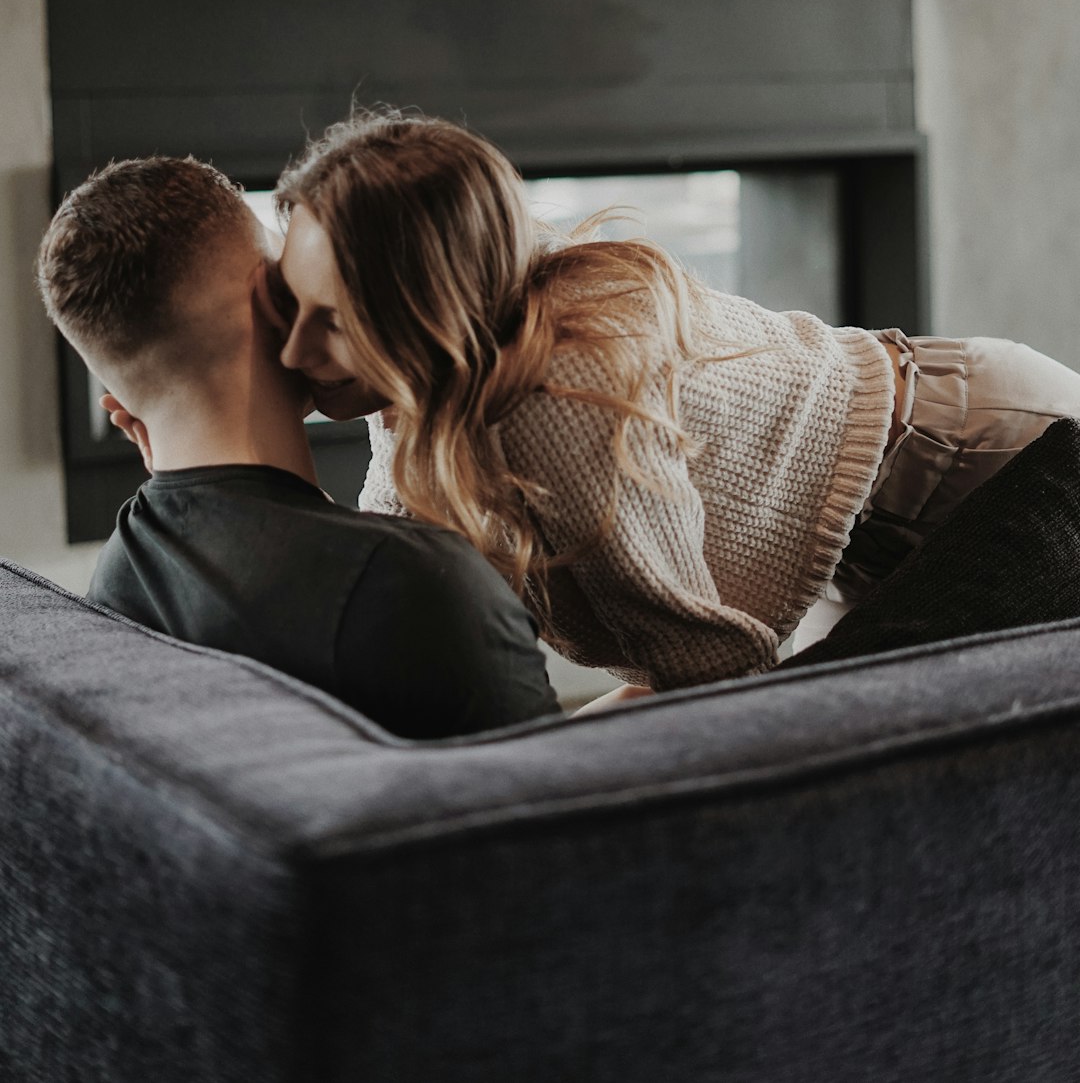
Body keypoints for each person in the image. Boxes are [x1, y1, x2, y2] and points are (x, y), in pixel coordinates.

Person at [268, 107, 1080, 691]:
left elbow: (710, 673)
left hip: (986, 459)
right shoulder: (430, 387)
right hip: (873, 534)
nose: (293, 351)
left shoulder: (558, 396)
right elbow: (390, 577)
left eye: (336, 324)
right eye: (289, 305)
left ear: (431, 310)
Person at [35, 156, 560, 738]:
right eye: (289, 269)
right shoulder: (415, 587)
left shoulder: (113, 590)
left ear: (120, 404)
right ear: (272, 300)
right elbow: (571, 808)